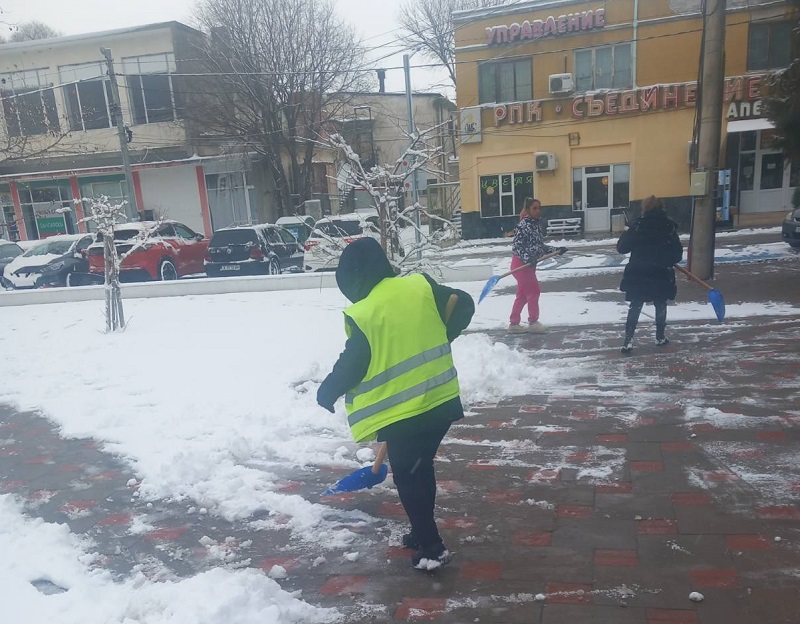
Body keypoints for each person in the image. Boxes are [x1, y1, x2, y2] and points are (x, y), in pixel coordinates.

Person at [317, 237, 475, 571]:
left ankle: (432, 547)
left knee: (409, 476)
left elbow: (354, 361)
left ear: (353, 279)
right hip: (440, 401)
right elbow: (464, 303)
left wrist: (328, 390)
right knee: (418, 470)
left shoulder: (365, 312)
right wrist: (444, 332)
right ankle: (422, 532)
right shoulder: (419, 286)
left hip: (407, 413)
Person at [616, 195, 684, 354]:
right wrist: (666, 257)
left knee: (636, 304)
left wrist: (629, 233)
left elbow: (622, 248)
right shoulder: (668, 227)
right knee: (660, 303)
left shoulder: (638, 225)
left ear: (644, 208)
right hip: (660, 272)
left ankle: (628, 340)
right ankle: (660, 336)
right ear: (662, 207)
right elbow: (677, 254)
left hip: (639, 272)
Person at [508, 198, 567, 333]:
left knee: (523, 295)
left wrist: (556, 250)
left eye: (539, 208)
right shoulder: (523, 226)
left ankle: (514, 324)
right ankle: (533, 322)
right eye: (534, 208)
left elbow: (540, 247)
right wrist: (528, 258)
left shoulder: (536, 225)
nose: (537, 211)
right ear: (528, 210)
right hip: (521, 265)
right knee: (534, 291)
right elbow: (517, 246)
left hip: (528, 265)